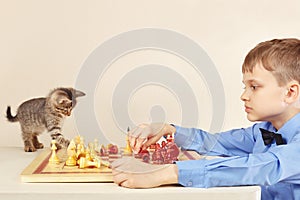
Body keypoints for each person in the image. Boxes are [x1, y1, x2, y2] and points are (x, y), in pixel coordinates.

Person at [112, 38, 300, 200]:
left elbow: (259, 167)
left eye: (254, 87)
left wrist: (166, 174)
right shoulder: (264, 131)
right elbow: (216, 142)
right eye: (245, 86)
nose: (244, 96)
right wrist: (169, 130)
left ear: (290, 92)